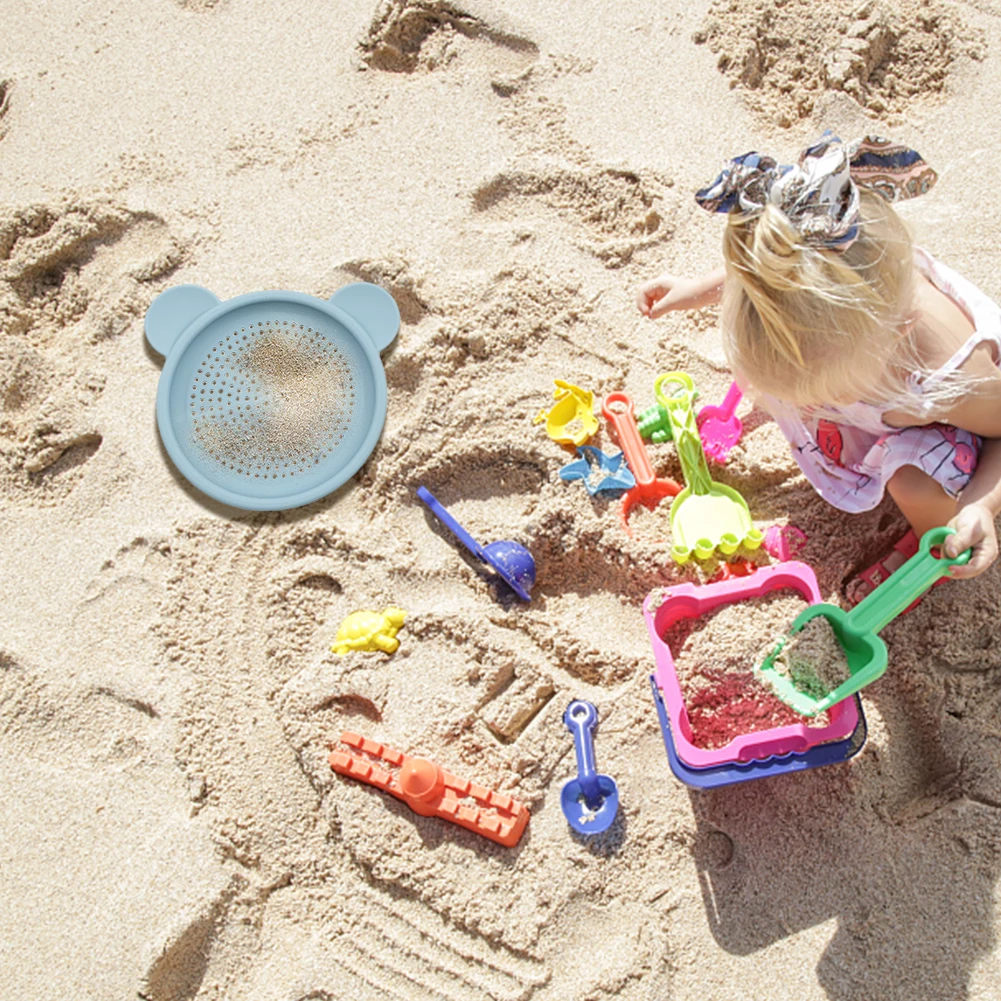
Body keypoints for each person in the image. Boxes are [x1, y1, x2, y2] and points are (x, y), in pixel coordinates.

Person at [636, 133, 1001, 598]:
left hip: (939, 414)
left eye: (829, 393)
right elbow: (768, 270)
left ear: (899, 331)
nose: (810, 405)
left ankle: (933, 541)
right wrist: (692, 291)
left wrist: (982, 504)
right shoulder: (800, 272)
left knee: (914, 486)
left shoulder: (954, 374)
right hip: (869, 371)